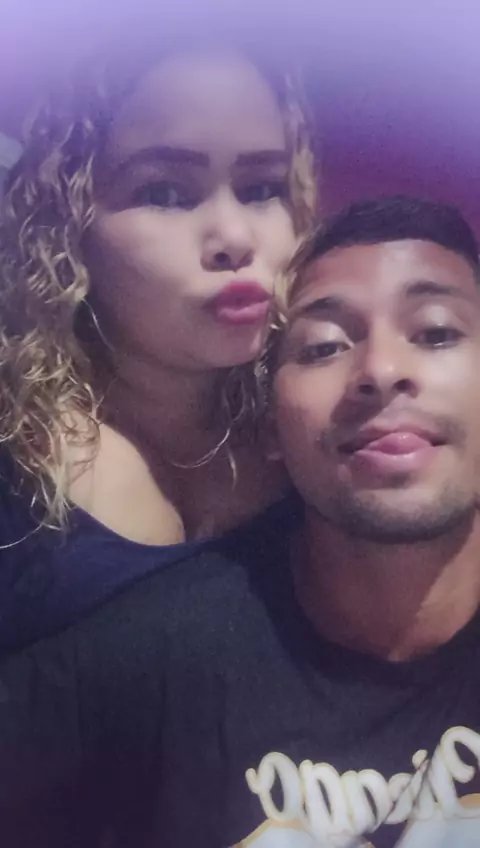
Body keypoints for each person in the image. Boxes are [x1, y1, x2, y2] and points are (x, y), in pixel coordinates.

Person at [2, 195, 480, 848]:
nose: (381, 370)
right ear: (271, 426)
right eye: (324, 346)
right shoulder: (159, 654)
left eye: (435, 333)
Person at [0, 37, 316, 651]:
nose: (234, 237)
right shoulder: (16, 460)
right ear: (71, 228)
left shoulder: (314, 424)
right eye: (166, 193)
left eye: (261, 188)